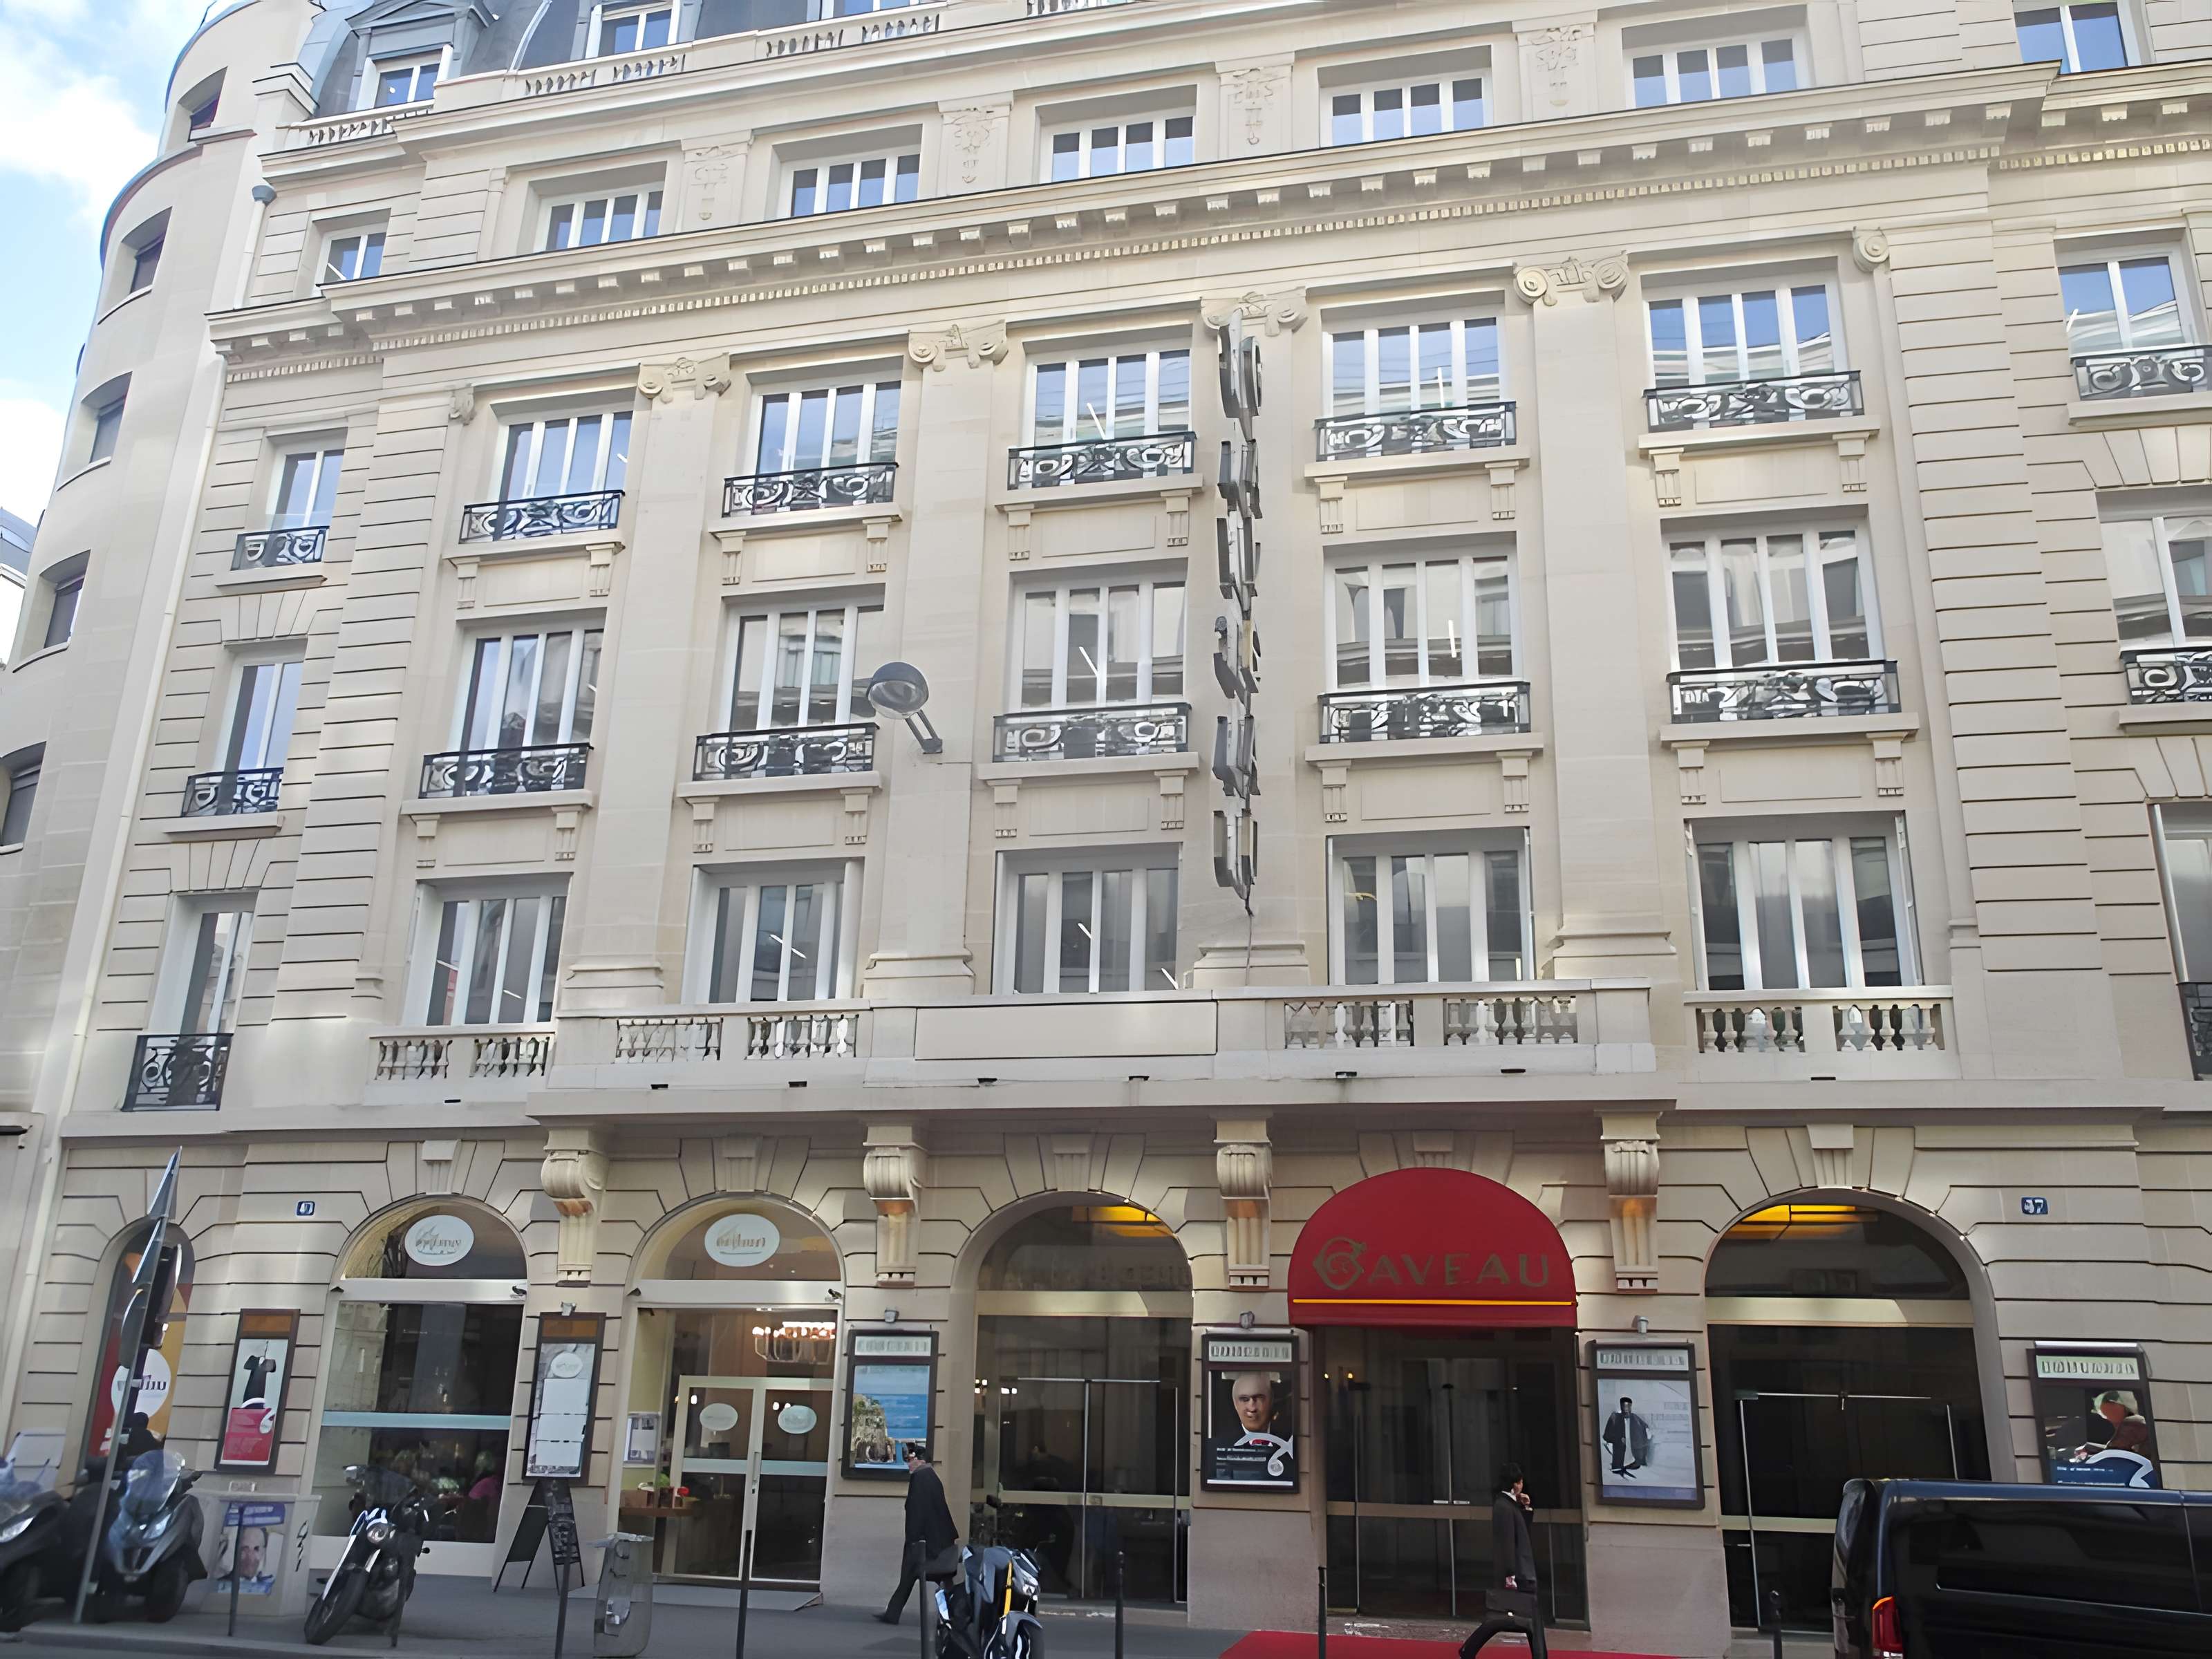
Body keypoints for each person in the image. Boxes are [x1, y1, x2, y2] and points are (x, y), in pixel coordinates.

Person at [1459, 1464, 1546, 1659]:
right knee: (1499, 1619)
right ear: (1515, 1484)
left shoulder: (1509, 1504)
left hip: (1521, 1568)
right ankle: (1469, 1649)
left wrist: (1525, 1506)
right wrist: (1510, 1574)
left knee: (1528, 1616)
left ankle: (1540, 1655)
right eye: (1520, 1481)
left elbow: (1522, 1530)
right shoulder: (1503, 1506)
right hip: (1518, 1570)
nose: (1523, 1485)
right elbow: (1507, 1542)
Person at [877, 1444, 959, 1626]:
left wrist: (914, 1538)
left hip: (924, 1539)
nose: (908, 1464)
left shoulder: (920, 1477)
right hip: (937, 1537)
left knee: (913, 1574)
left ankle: (955, 1612)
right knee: (936, 1577)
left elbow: (916, 1509)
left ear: (919, 1460)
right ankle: (954, 1612)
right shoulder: (930, 1476)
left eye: (910, 1460)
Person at [1602, 1395, 1651, 1478]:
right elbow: (1606, 1436)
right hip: (1619, 1462)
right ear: (1621, 1407)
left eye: (1628, 1406)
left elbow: (1645, 1427)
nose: (1626, 1409)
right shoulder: (1615, 1418)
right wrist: (1618, 1439)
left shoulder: (1635, 1418)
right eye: (1624, 1407)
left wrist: (1647, 1430)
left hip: (1634, 1463)